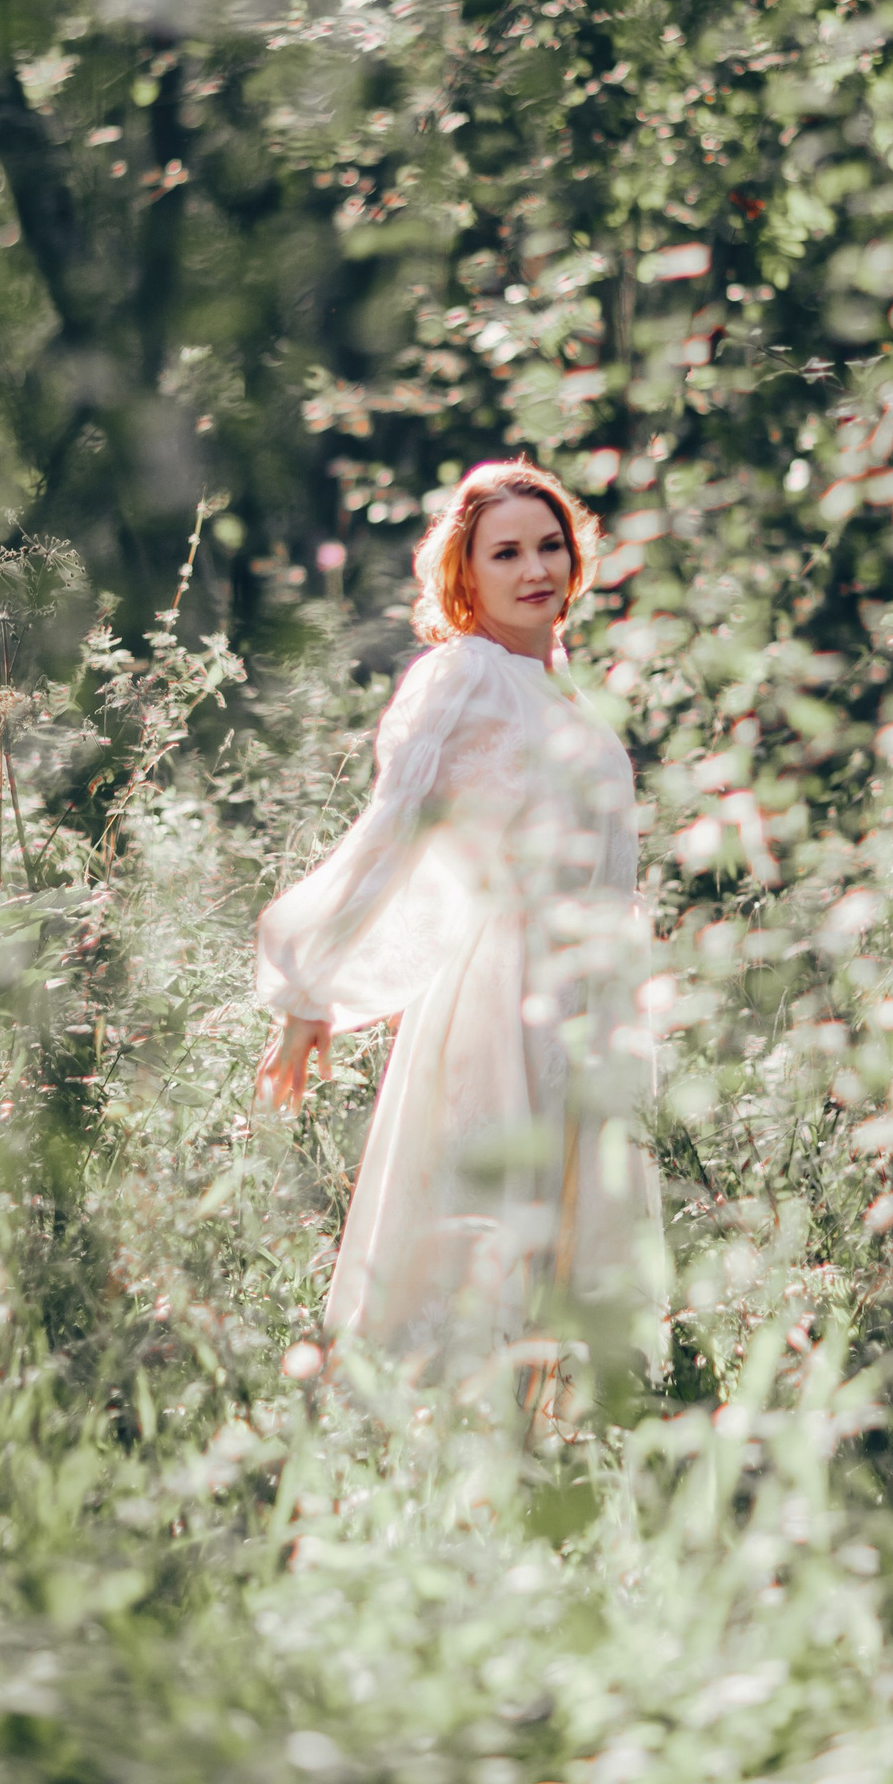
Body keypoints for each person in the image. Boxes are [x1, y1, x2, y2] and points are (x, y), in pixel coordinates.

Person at [254, 460, 662, 1370]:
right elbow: (391, 830)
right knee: (488, 1242)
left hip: (589, 997)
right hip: (509, 996)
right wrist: (309, 986)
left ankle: (555, 1438)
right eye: (506, 553)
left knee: (572, 1254)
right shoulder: (466, 672)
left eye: (551, 546)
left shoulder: (555, 682)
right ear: (464, 574)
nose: (536, 569)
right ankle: (453, 1428)